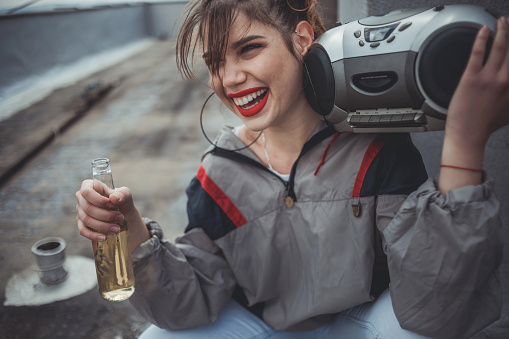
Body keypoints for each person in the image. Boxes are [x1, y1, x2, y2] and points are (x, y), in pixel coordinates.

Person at [75, 0, 509, 338]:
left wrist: (465, 143)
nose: (229, 79)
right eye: (214, 62)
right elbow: (188, 300)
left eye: (249, 48)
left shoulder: (375, 150)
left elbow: (435, 305)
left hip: (357, 323)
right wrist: (128, 226)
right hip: (263, 326)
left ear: (302, 39)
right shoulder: (217, 176)